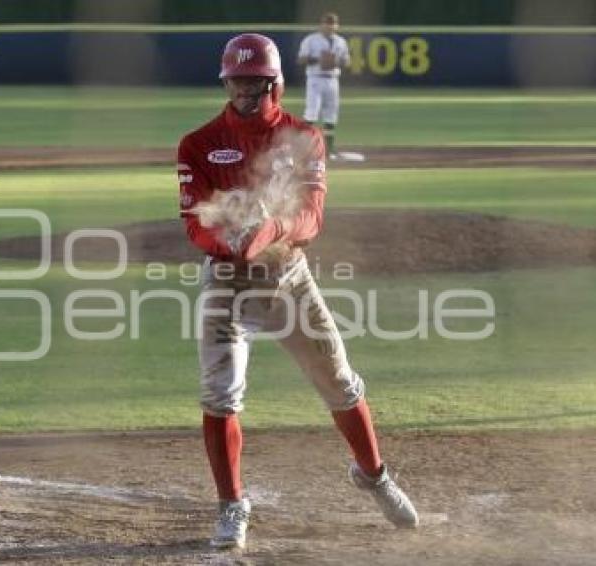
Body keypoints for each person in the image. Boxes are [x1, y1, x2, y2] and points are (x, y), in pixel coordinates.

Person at [177, 33, 418, 551]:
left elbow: (311, 217)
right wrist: (228, 238)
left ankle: (373, 475)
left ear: (274, 82)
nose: (244, 91)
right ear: (226, 82)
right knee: (220, 396)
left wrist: (265, 230)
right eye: (236, 82)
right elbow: (194, 224)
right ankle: (231, 505)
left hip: (288, 275)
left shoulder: (303, 137)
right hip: (226, 281)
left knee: (339, 381)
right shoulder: (196, 144)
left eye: (254, 82)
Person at [297, 12, 351, 159]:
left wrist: (336, 62)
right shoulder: (311, 40)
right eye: (327, 23)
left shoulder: (341, 41)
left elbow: (347, 61)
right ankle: (303, 149)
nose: (330, 26)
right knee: (311, 112)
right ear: (321, 24)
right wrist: (318, 60)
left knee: (331, 114)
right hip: (315, 79)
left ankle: (328, 150)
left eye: (333, 23)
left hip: (333, 79)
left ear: (337, 25)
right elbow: (301, 59)